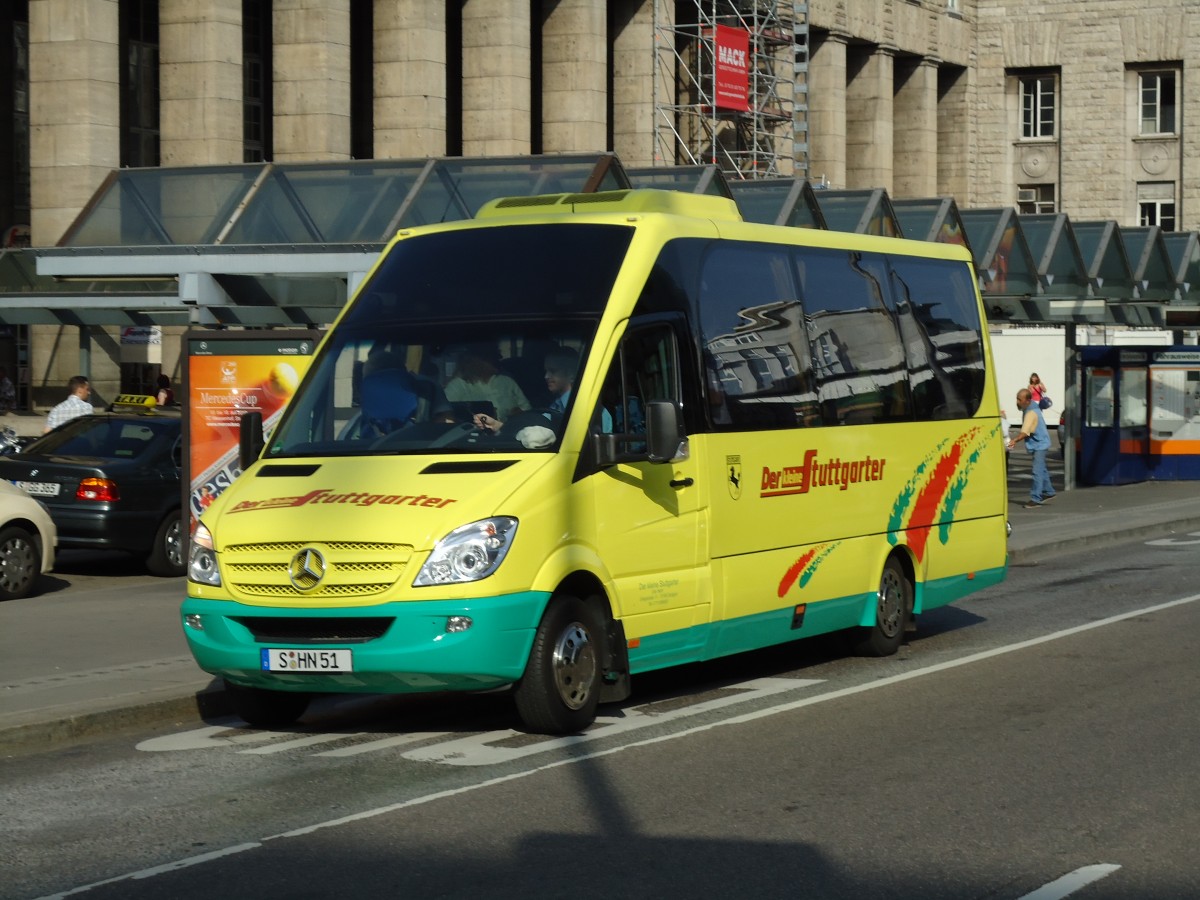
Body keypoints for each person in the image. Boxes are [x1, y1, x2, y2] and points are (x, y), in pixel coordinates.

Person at [474, 348, 612, 434]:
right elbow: (534, 430)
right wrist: (497, 425)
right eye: (546, 371)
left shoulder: (592, 411)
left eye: (553, 371)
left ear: (572, 375)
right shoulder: (555, 406)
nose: (546, 377)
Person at [444, 349, 530, 419]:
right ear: (476, 361)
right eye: (492, 358)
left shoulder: (507, 381)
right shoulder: (457, 386)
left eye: (497, 357)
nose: (499, 359)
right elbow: (446, 416)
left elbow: (528, 412)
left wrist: (518, 414)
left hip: (509, 435)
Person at [1008, 387, 1056, 508]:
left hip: (1039, 444)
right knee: (1042, 469)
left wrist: (1014, 440)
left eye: (1019, 399)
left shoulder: (1030, 412)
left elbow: (1025, 432)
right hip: (1040, 442)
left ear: (1027, 400)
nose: (1017, 402)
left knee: (1037, 471)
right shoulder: (1031, 406)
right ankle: (1049, 491)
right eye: (1017, 399)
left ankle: (1035, 498)